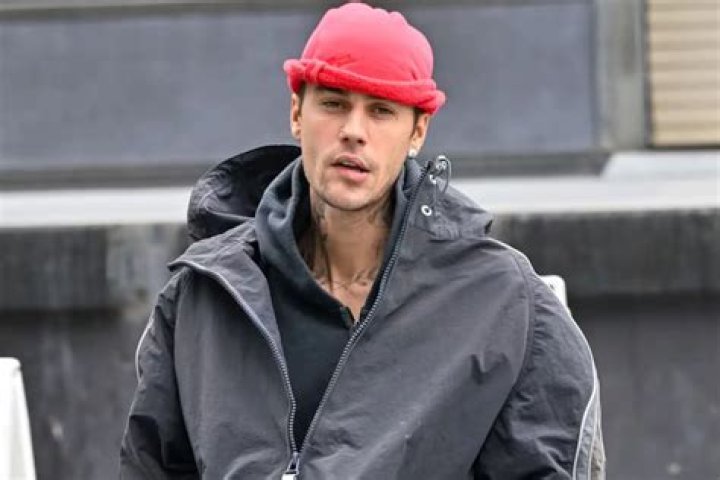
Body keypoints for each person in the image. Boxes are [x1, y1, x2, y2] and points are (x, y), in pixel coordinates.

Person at [120, 3, 605, 479]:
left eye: (381, 111)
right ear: (297, 112)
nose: (353, 132)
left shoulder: (504, 301)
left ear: (417, 131)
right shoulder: (203, 295)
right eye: (333, 103)